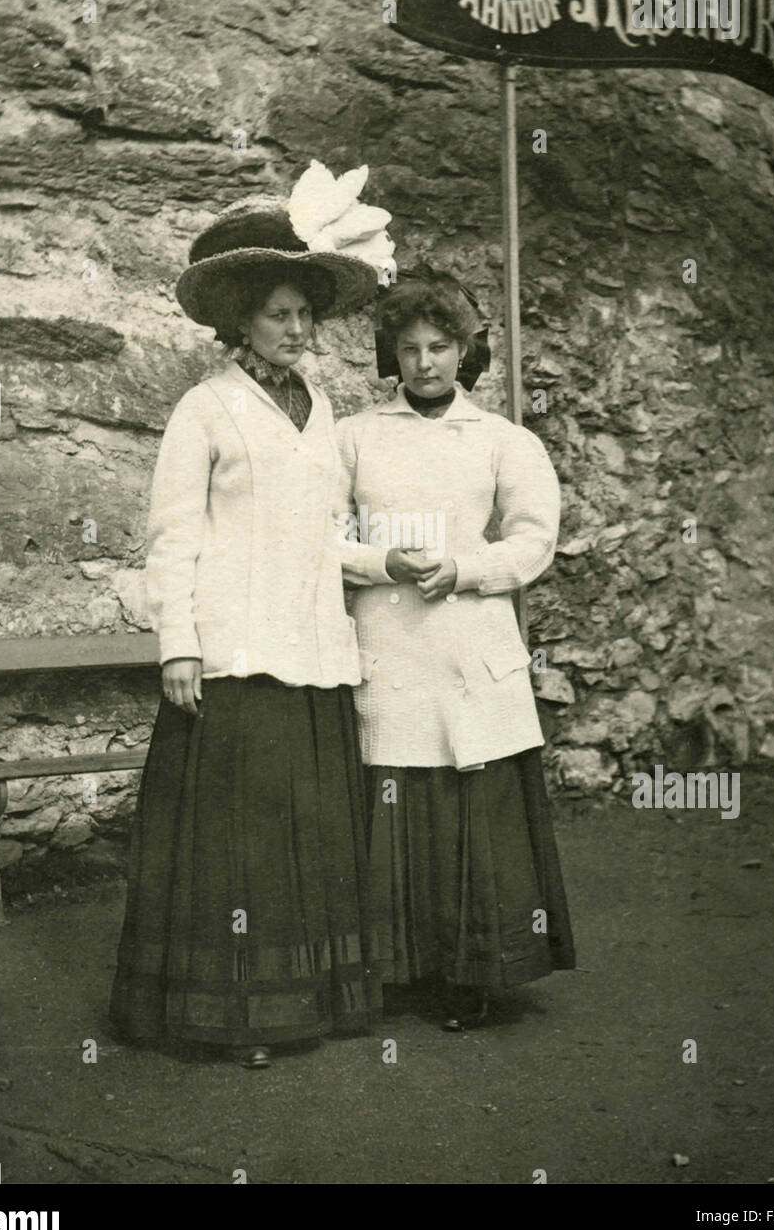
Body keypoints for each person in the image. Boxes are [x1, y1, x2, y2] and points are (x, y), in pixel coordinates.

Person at [110, 163, 393, 1067]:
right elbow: (172, 536)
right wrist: (178, 650)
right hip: (233, 658)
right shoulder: (204, 408)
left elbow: (327, 535)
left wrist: (390, 560)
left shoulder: (324, 410)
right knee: (240, 846)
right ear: (240, 318)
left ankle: (309, 999)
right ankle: (235, 1015)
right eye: (280, 314)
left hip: (313, 654)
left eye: (306, 314)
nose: (298, 329)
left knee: (310, 833)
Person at [335, 273, 575, 1030]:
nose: (424, 362)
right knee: (396, 808)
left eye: (439, 347)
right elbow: (320, 535)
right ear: (390, 356)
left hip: (471, 652)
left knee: (472, 816)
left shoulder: (505, 441)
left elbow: (534, 540)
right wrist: (383, 564)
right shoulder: (355, 436)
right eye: (407, 349)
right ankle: (394, 971)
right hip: (389, 649)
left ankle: (473, 974)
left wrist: (465, 569)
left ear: (464, 352)